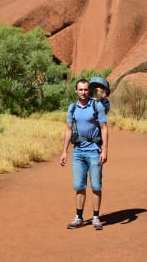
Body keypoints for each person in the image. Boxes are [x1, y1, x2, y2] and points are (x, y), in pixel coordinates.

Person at [60, 78, 109, 230]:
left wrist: (105, 150)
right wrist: (64, 151)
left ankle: (95, 217)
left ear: (89, 90)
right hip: (78, 152)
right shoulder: (72, 108)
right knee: (79, 186)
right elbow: (68, 129)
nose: (83, 92)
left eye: (86, 89)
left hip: (94, 151)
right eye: (80, 89)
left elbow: (104, 128)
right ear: (76, 91)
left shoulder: (97, 106)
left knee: (96, 186)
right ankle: (79, 217)